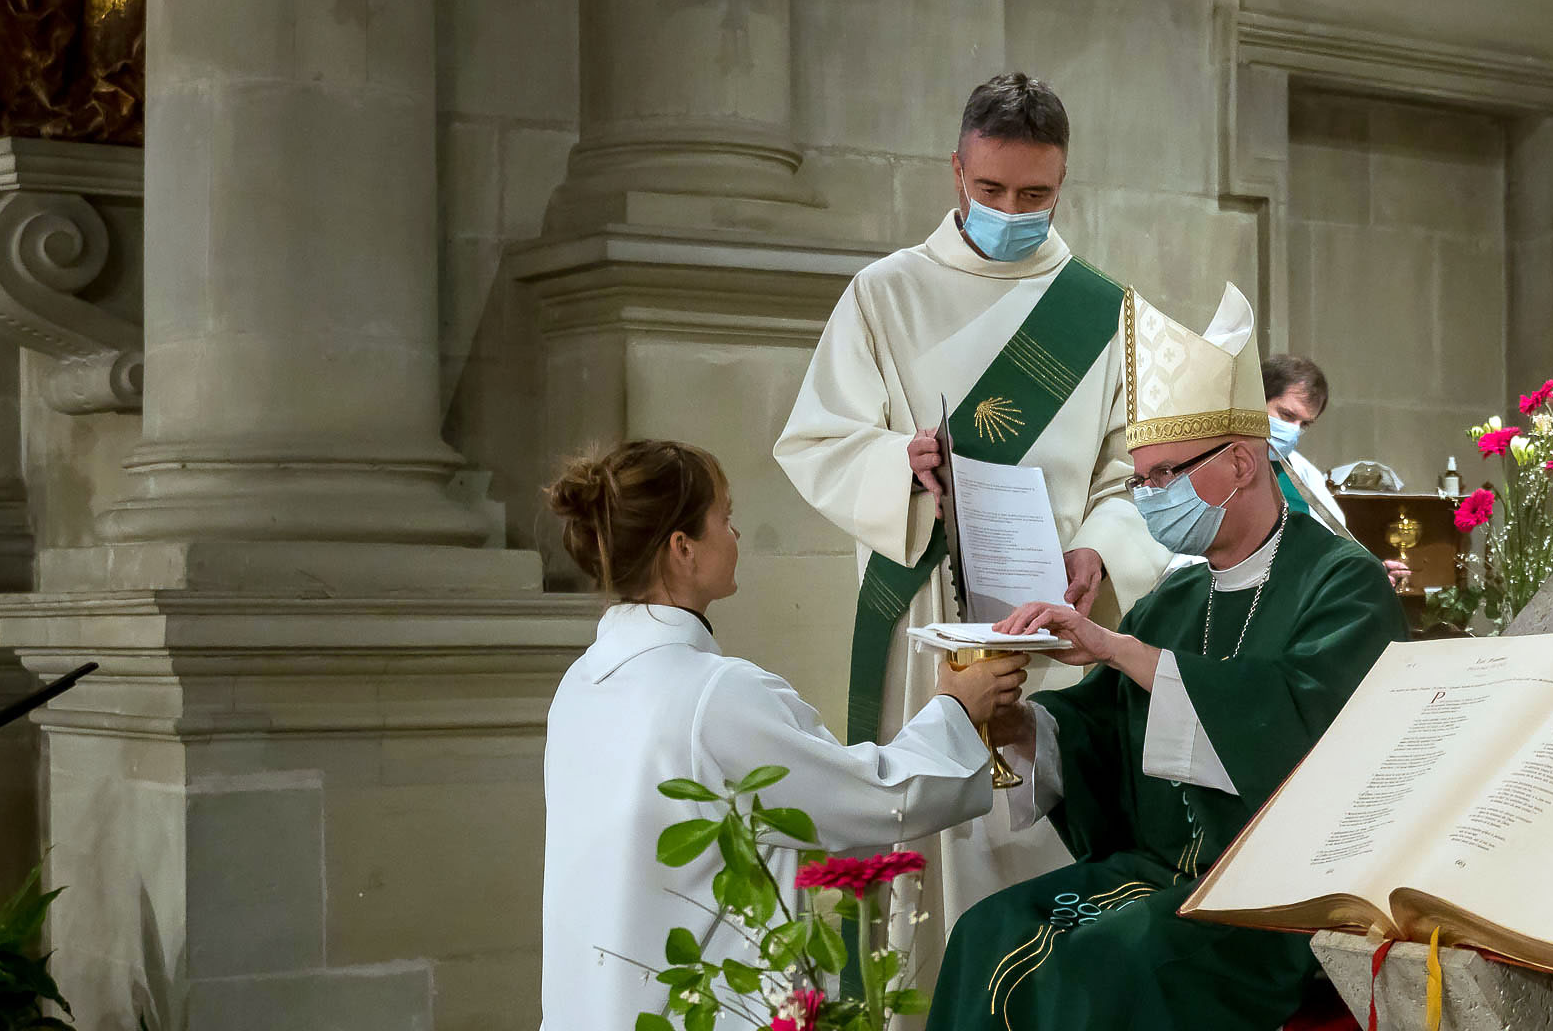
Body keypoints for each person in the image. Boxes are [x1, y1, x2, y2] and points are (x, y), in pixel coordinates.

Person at [924, 286, 1407, 1031]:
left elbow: (1299, 718)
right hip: (1155, 877)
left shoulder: (1342, 580)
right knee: (984, 932)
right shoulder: (1177, 597)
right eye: (1140, 479)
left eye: (1165, 475)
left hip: (1274, 904)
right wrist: (1016, 720)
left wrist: (1123, 652)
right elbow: (1095, 728)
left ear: (1242, 463)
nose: (1150, 497)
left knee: (1103, 967)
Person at [773, 73, 1170, 971]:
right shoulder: (884, 293)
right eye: (990, 190)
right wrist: (896, 465)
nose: (1011, 209)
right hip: (927, 620)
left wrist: (1099, 549)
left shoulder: (1102, 310)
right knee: (927, 839)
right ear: (956, 170)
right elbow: (816, 438)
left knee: (1035, 840)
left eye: (1035, 194)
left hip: (1055, 620)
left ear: (1063, 182)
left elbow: (1130, 467)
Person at [538, 440, 1030, 1031]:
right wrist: (956, 707)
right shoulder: (713, 694)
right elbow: (874, 801)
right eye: (725, 517)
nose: (736, 535)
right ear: (683, 549)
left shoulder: (581, 682)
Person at [1261, 353, 1410, 589]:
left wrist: (1366, 572)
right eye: (1287, 415)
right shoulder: (1213, 460)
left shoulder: (1302, 472)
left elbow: (1333, 543)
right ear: (1256, 400)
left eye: (1305, 424)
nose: (1293, 431)